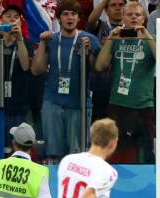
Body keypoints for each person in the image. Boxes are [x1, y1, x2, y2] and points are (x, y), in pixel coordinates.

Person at [31, 0, 102, 163]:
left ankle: (76, 187)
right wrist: (42, 43)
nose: (69, 17)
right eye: (65, 14)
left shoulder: (89, 38)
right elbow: (37, 70)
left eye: (73, 14)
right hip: (52, 102)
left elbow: (99, 70)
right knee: (53, 153)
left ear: (78, 18)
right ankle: (55, 187)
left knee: (77, 155)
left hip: (79, 104)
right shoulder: (51, 39)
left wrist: (90, 51)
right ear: (58, 18)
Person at [95, 0, 156, 163]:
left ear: (144, 18)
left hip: (143, 105)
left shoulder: (152, 39)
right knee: (115, 152)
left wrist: (148, 37)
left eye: (138, 15)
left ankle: (149, 186)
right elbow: (100, 65)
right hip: (118, 104)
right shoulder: (115, 39)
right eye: (129, 15)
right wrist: (110, 39)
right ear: (123, 18)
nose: (134, 18)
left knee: (146, 152)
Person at [0, 4, 32, 153]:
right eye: (8, 16)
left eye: (16, 17)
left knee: (15, 149)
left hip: (17, 104)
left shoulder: (25, 43)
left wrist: (19, 39)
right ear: (0, 21)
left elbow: (26, 66)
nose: (13, 20)